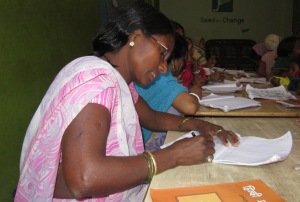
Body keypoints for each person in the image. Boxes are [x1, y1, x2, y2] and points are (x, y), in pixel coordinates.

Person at [15, 2, 239, 201]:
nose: (163, 68)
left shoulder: (117, 81)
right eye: (162, 54)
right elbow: (84, 178)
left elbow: (151, 118)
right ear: (135, 37)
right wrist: (173, 156)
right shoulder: (98, 83)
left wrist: (196, 124)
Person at [135, 33, 201, 151]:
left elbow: (152, 117)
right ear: (174, 60)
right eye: (185, 58)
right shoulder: (162, 76)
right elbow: (190, 106)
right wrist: (195, 93)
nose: (189, 61)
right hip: (143, 147)